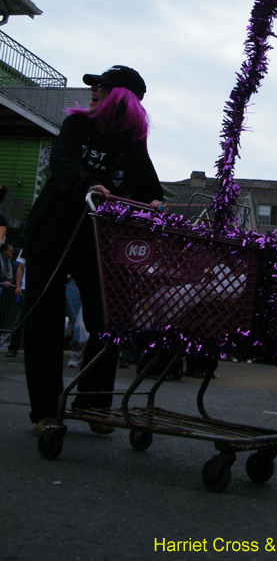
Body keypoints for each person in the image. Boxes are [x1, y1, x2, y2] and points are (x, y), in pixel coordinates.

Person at [23, 65, 164, 436]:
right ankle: (46, 411)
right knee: (44, 321)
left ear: (121, 99)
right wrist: (89, 182)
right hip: (52, 232)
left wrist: (153, 202)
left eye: (102, 86)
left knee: (107, 320)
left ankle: (94, 403)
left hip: (98, 242)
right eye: (94, 85)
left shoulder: (130, 141)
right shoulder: (76, 126)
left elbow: (147, 184)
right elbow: (62, 161)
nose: (93, 90)